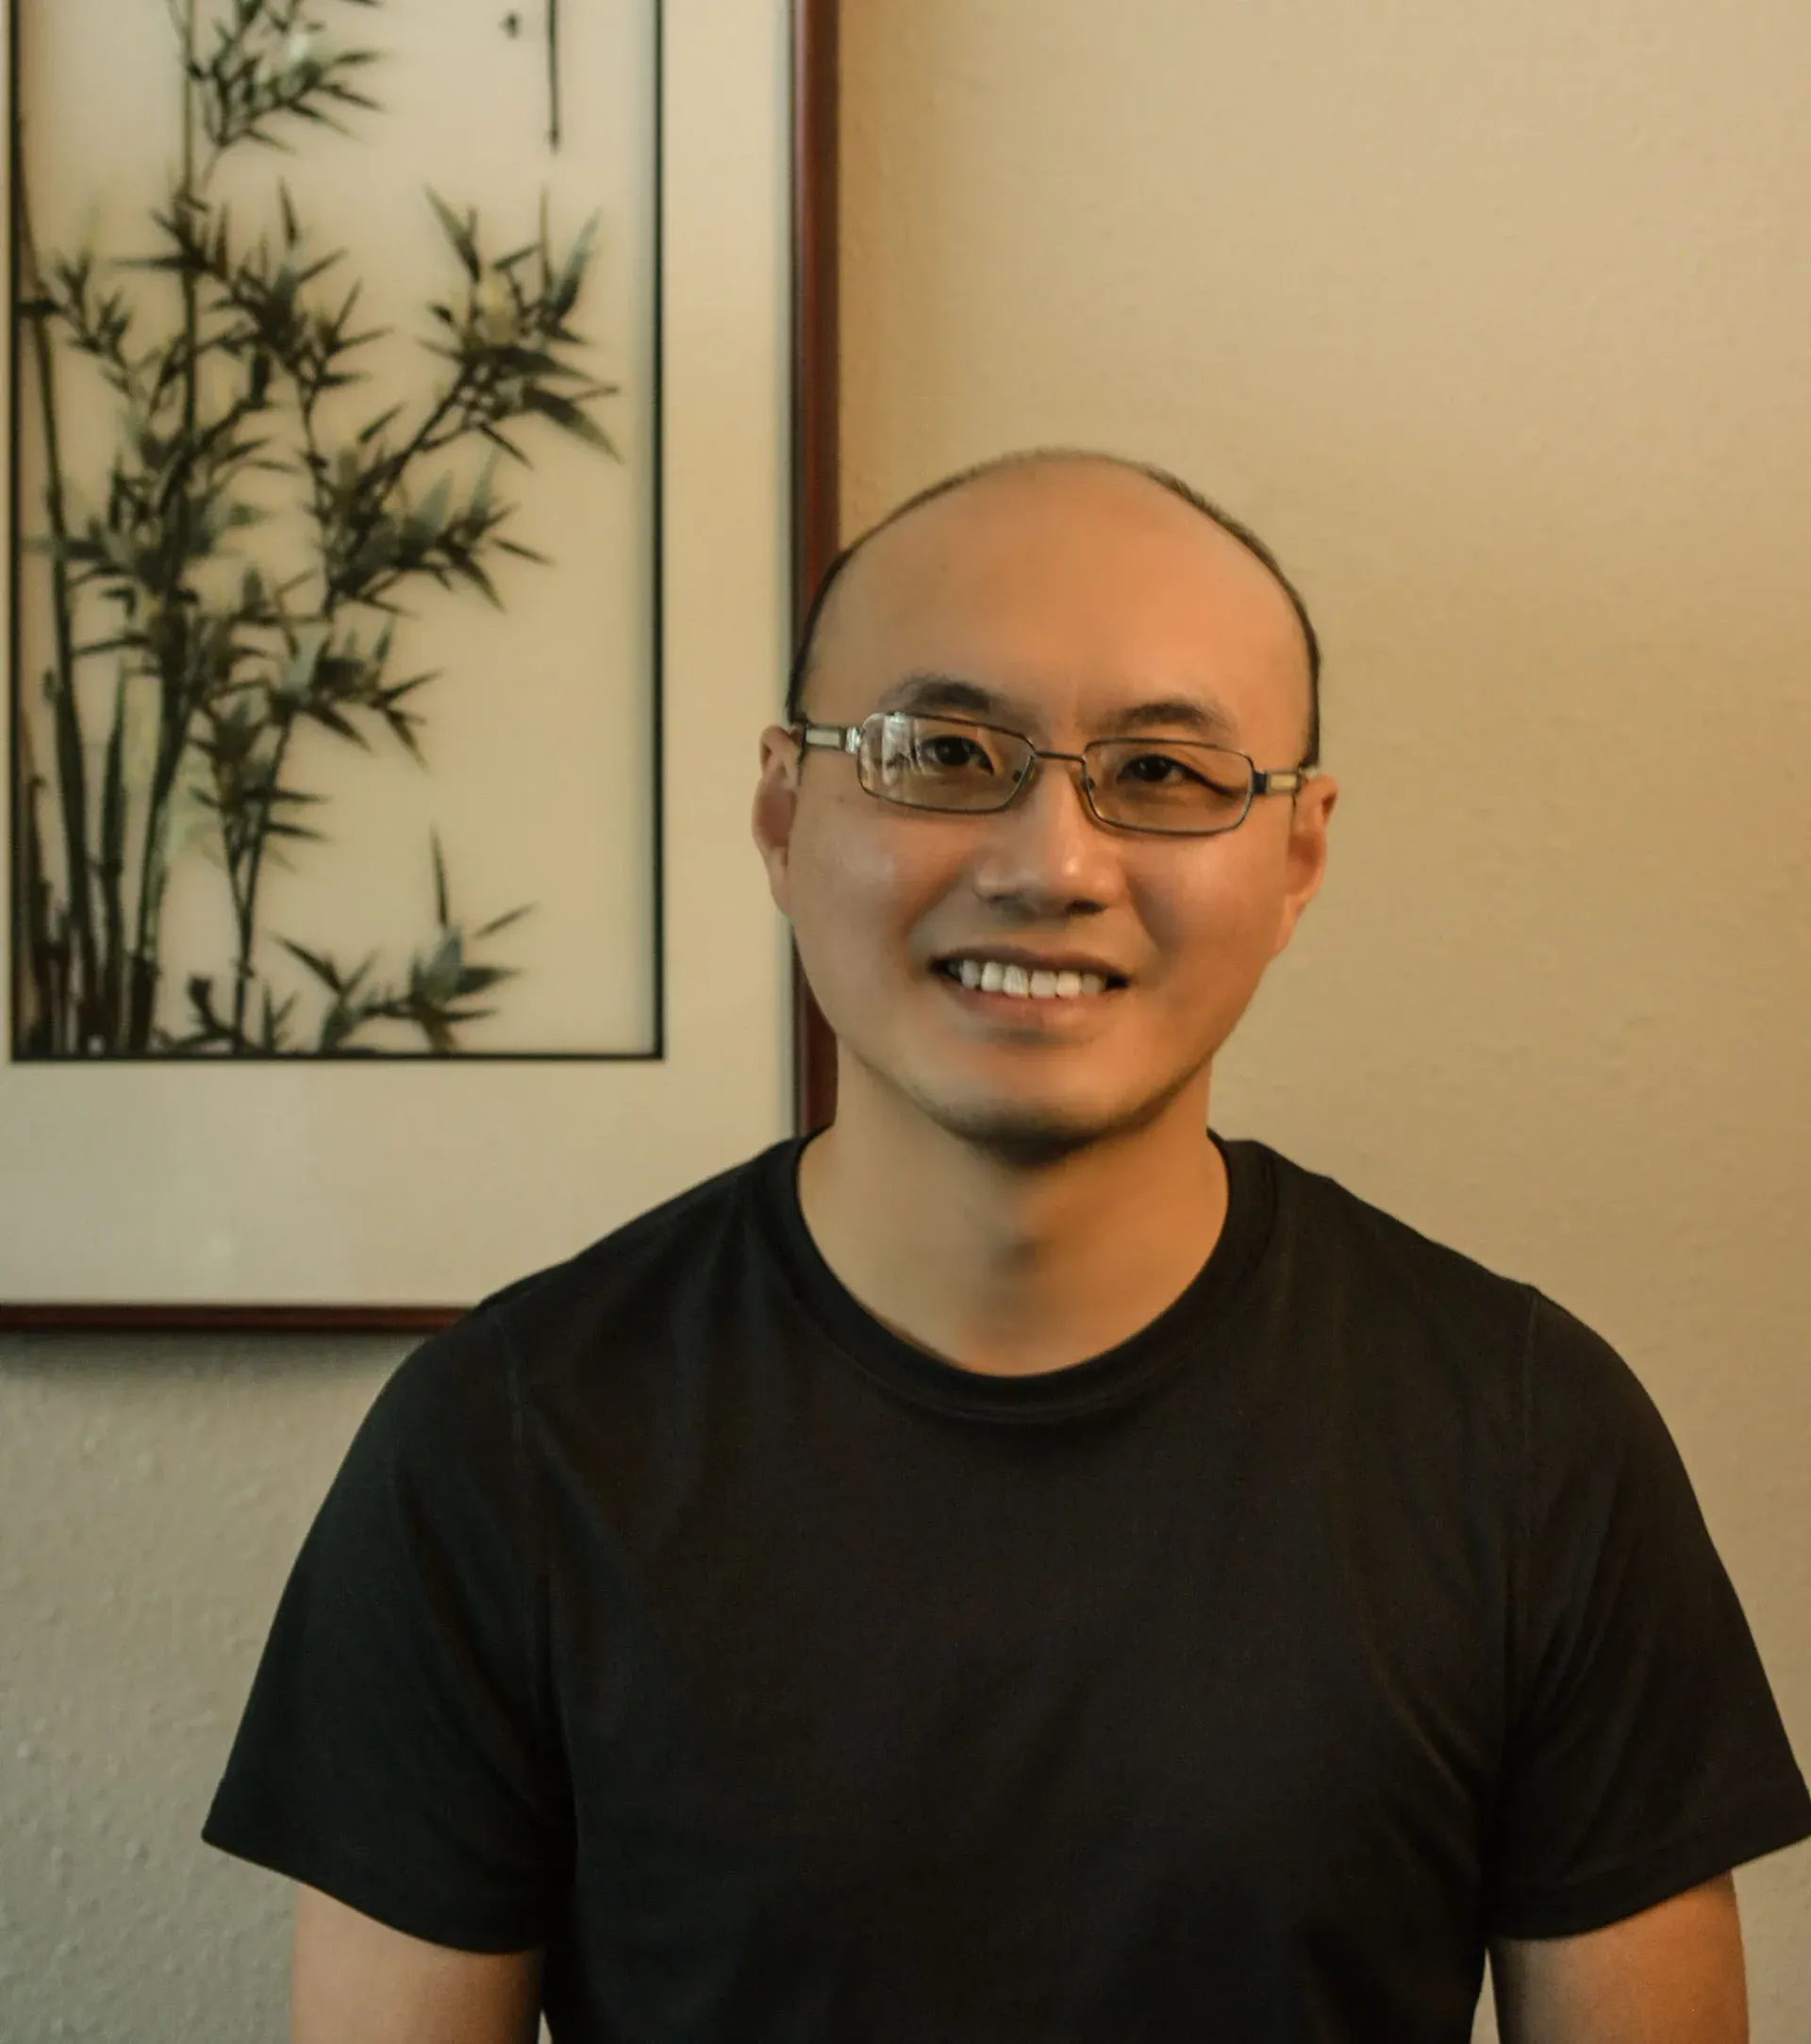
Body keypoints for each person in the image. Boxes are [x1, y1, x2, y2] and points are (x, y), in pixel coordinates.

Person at [205, 451, 1810, 2043]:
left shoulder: (1530, 1441)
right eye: (945, 751)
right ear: (782, 806)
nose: (1050, 864)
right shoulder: (502, 1443)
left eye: (1168, 774)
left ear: (1299, 851)